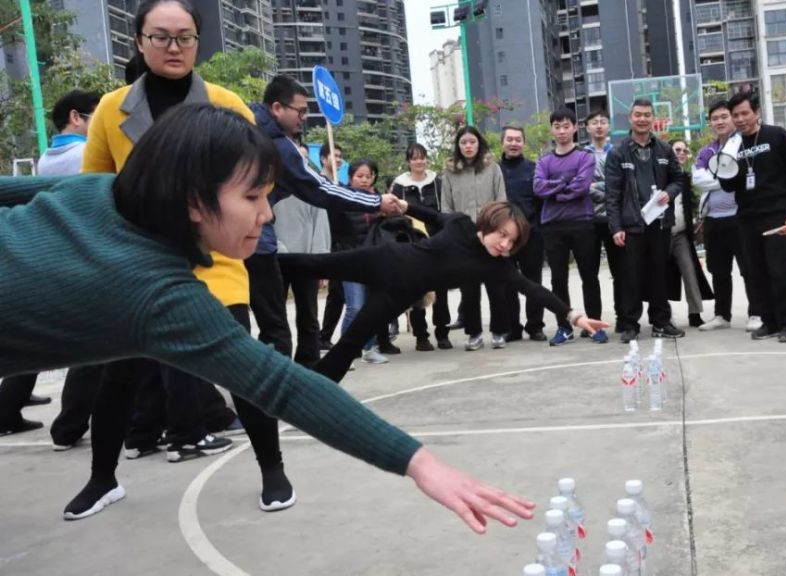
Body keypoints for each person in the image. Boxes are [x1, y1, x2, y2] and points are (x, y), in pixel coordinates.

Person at [0, 103, 534, 535]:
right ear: (192, 201)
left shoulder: (101, 192)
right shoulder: (162, 299)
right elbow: (283, 385)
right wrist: (419, 462)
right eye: (253, 196)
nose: (268, 212)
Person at [74, 0, 272, 517]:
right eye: (160, 37)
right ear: (138, 41)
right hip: (138, 262)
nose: (174, 47)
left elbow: (257, 179)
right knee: (118, 374)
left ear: (197, 43)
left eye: (184, 37)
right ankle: (102, 479)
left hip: (214, 259)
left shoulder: (227, 104)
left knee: (242, 367)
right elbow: (93, 187)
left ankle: (273, 471)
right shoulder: (111, 109)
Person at [279, 202, 609, 383]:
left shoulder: (496, 266)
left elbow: (532, 289)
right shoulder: (462, 224)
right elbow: (432, 215)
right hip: (384, 260)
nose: (504, 244)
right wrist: (403, 205)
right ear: (490, 224)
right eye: (502, 235)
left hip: (400, 294)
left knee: (351, 342)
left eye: (512, 242)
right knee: (314, 263)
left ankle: (316, 392)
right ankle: (257, 263)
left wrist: (572, 315)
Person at [248, 75, 402, 358]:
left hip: (229, 243)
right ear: (277, 108)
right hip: (255, 245)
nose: (304, 119)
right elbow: (321, 190)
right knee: (275, 332)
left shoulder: (240, 120)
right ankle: (275, 397)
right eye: (301, 111)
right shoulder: (279, 148)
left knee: (238, 324)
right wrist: (376, 201)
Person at [0, 90, 100, 439]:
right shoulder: (85, 153)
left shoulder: (49, 156)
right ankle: (69, 425)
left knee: (44, 341)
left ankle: (11, 410)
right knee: (97, 345)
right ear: (76, 117)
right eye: (96, 116)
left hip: (58, 255)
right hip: (86, 255)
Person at [719, 92, 786, 343]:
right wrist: (724, 169)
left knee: (780, 271)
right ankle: (768, 322)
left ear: (756, 112)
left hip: (778, 214)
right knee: (756, 273)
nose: (740, 119)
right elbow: (727, 186)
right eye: (735, 115)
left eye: (745, 113)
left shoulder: (776, 135)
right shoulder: (733, 145)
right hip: (747, 217)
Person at [605, 98, 687, 343]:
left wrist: (668, 193)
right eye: (638, 114)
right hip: (632, 226)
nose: (642, 119)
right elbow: (612, 195)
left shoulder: (664, 149)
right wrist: (616, 227)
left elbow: (678, 180)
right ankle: (630, 325)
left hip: (659, 223)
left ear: (653, 119)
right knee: (630, 276)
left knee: (659, 274)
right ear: (630, 118)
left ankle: (661, 322)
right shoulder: (618, 153)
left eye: (647, 115)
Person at [533, 108, 604, 346]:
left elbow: (582, 187)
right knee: (558, 280)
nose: (562, 131)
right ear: (551, 130)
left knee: (589, 276)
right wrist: (564, 184)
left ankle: (594, 325)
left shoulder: (585, 157)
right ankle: (564, 327)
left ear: (575, 127)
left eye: (566, 126)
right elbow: (538, 188)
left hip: (582, 222)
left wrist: (556, 190)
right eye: (557, 127)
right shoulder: (544, 160)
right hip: (552, 225)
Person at [440, 126, 508, 351]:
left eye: (472, 142)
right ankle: (474, 333)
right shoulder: (450, 172)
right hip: (464, 239)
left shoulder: (492, 168)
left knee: (496, 287)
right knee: (469, 291)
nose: (468, 146)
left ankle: (499, 331)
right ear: (458, 146)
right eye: (463, 143)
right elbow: (446, 207)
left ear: (479, 144)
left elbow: (501, 201)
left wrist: (497, 231)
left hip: (491, 236)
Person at [693, 100, 757, 332]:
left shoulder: (743, 145)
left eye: (724, 117)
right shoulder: (706, 151)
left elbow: (739, 176)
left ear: (732, 119)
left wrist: (723, 178)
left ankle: (756, 313)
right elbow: (697, 179)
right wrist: (726, 178)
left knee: (748, 268)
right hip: (713, 219)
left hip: (739, 216)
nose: (719, 121)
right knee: (718, 270)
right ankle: (722, 315)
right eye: (715, 118)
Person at [329, 159, 397, 365]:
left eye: (369, 176)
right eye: (360, 176)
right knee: (355, 307)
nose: (365, 180)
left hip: (373, 259)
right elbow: (335, 228)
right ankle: (342, 353)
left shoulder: (378, 200)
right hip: (350, 260)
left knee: (372, 307)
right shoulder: (342, 198)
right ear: (350, 177)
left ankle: (369, 347)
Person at [391, 142, 453, 350]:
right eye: (414, 158)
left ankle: (442, 333)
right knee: (417, 291)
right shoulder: (398, 185)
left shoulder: (437, 182)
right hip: (412, 244)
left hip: (437, 242)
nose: (419, 161)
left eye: (422, 157)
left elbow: (444, 210)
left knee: (441, 291)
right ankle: (421, 336)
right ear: (408, 161)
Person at [273, 144, 330, 365]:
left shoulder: (313, 187)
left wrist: (320, 261)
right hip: (276, 259)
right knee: (276, 317)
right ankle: (280, 361)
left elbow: (320, 225)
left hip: (306, 260)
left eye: (304, 159)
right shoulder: (270, 184)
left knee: (309, 315)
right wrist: (279, 249)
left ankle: (309, 360)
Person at [497, 126, 547, 343]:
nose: (514, 143)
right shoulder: (495, 171)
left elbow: (542, 202)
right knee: (507, 282)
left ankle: (535, 326)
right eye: (510, 139)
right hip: (503, 236)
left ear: (524, 143)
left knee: (533, 281)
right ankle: (512, 328)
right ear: (502, 143)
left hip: (531, 234)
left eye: (518, 139)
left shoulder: (535, 169)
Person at [667, 139, 714, 329]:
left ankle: (695, 313)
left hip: (681, 234)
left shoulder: (686, 178)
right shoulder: (657, 175)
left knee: (690, 272)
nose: (681, 153)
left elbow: (690, 204)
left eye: (684, 151)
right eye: (677, 149)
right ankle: (664, 315)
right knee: (660, 275)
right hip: (660, 234)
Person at [585, 109, 624, 332]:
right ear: (587, 127)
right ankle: (593, 320)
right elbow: (582, 187)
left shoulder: (617, 153)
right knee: (589, 275)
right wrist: (607, 188)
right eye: (594, 122)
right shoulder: (582, 155)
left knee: (619, 272)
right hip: (589, 220)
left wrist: (596, 187)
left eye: (603, 122)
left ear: (608, 126)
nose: (599, 126)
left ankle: (622, 316)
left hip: (614, 219)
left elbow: (621, 186)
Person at [318, 142, 345, 351]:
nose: (337, 159)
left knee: (338, 294)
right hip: (323, 243)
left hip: (340, 243)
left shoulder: (340, 185)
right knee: (335, 294)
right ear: (323, 159)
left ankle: (324, 336)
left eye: (339, 156)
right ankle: (322, 337)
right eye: (333, 156)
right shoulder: (317, 184)